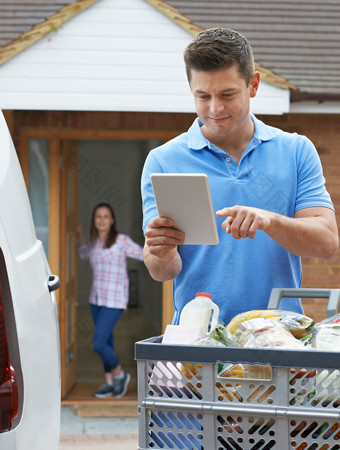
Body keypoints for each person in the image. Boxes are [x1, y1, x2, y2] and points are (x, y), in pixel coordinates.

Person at [141, 27, 339, 326]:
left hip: (280, 339)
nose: (214, 108)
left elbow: (326, 243)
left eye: (227, 94)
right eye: (202, 96)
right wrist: (162, 252)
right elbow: (161, 270)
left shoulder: (296, 151)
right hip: (199, 343)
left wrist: (269, 220)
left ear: (253, 84)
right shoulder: (164, 161)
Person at [78, 202, 144, 398]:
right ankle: (109, 383)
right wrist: (78, 232)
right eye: (98, 216)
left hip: (114, 300)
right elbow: (83, 253)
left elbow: (142, 254)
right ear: (94, 220)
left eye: (106, 216)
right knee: (107, 340)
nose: (102, 220)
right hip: (96, 299)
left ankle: (120, 375)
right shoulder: (94, 244)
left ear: (112, 220)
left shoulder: (121, 241)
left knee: (98, 343)